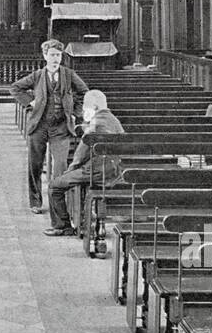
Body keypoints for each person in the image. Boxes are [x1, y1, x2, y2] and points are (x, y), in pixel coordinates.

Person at [9, 39, 89, 213]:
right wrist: (30, 103)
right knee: (35, 165)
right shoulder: (37, 76)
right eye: (52, 55)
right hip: (39, 125)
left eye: (58, 55)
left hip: (61, 127)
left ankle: (57, 205)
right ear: (45, 56)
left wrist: (76, 112)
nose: (55, 58)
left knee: (60, 166)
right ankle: (35, 202)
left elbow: (84, 92)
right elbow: (15, 88)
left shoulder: (69, 75)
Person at [44, 90, 126, 236]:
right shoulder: (114, 120)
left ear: (93, 107)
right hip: (114, 171)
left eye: (85, 106)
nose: (82, 110)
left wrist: (68, 172)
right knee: (78, 178)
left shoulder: (94, 125)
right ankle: (83, 217)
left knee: (55, 186)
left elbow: (79, 157)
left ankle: (62, 226)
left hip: (96, 172)